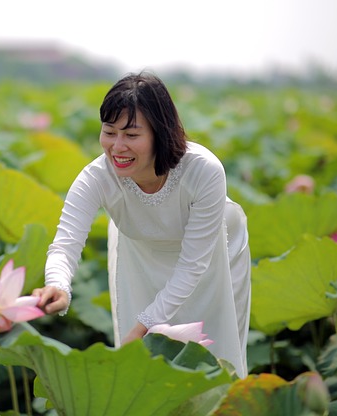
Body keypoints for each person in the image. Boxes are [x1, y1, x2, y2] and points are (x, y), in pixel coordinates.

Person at [32, 71, 251, 378]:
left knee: (216, 363)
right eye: (109, 132)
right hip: (138, 258)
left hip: (212, 257)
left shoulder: (204, 171)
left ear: (160, 134)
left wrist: (144, 324)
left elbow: (193, 266)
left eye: (132, 135)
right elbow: (65, 243)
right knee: (145, 375)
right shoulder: (97, 176)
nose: (117, 147)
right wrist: (58, 284)